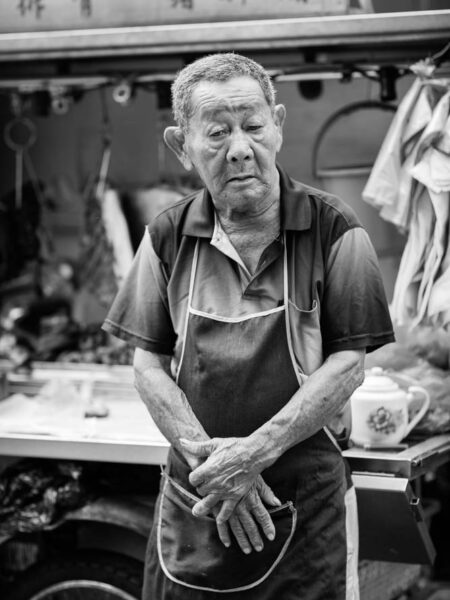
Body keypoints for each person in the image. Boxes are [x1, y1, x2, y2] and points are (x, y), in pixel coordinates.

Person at [102, 52, 395, 600]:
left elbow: (349, 364)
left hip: (306, 509)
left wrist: (253, 454)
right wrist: (216, 466)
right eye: (216, 133)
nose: (240, 148)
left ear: (278, 126)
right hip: (200, 500)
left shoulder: (335, 231)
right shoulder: (165, 237)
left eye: (254, 126)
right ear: (181, 146)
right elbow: (147, 364)